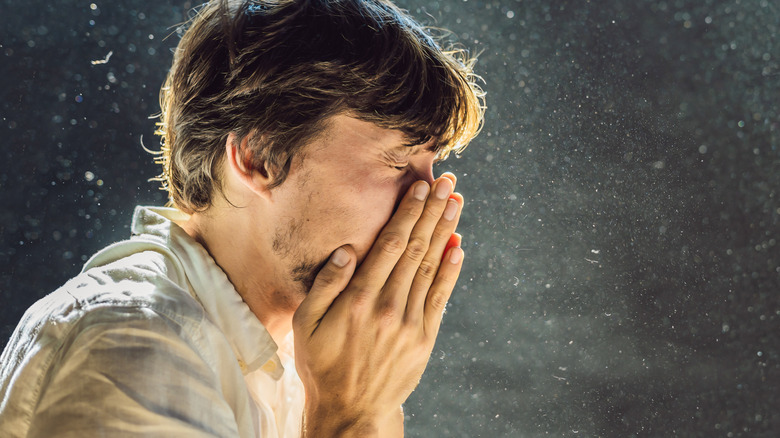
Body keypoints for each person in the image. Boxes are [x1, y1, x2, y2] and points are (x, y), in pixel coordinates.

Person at [0, 0, 485, 436]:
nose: (429, 201)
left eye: (432, 165)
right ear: (261, 158)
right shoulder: (131, 348)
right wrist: (350, 419)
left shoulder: (306, 368)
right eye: (398, 161)